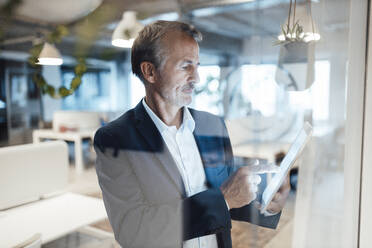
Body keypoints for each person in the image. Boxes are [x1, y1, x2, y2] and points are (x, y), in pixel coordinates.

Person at [94, 20, 290, 248]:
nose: (196, 78)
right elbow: (134, 231)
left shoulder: (212, 125)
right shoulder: (115, 139)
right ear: (149, 71)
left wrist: (267, 203)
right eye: (185, 66)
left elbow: (230, 198)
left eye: (197, 65)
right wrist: (224, 197)